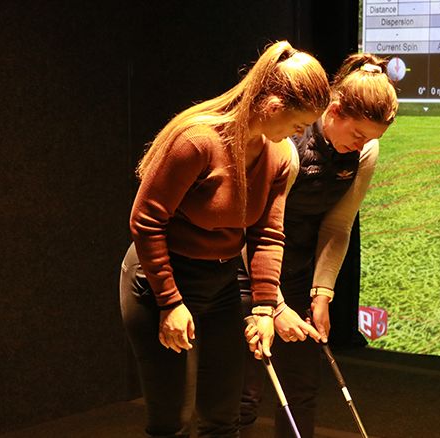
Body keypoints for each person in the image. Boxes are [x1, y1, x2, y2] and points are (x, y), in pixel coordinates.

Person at [119, 41, 330, 438]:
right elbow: (146, 221)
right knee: (172, 421)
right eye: (298, 123)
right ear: (271, 107)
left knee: (223, 418)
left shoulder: (281, 155)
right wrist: (170, 302)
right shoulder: (197, 140)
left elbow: (268, 234)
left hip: (221, 287)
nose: (300, 134)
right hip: (159, 281)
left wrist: (266, 308)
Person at [240, 53, 398, 438]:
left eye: (371, 139)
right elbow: (251, 231)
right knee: (247, 391)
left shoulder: (364, 151)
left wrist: (323, 292)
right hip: (247, 269)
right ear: (336, 109)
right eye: (358, 134)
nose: (361, 146)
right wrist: (272, 305)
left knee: (302, 386)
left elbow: (339, 223)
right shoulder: (288, 147)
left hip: (297, 269)